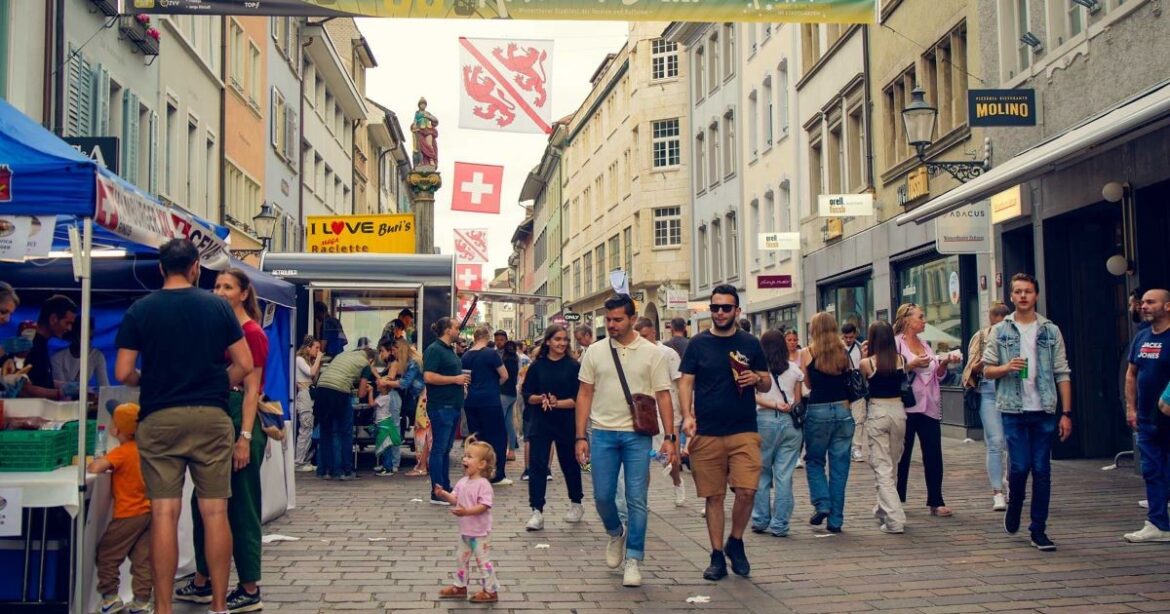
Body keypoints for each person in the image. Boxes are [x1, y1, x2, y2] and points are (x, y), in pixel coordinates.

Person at [114, 238, 253, 614]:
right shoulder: (217, 307)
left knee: (164, 513)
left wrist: (153, 380)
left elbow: (124, 371)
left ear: (161, 269)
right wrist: (212, 383)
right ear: (195, 268)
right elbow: (244, 363)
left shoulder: (140, 310)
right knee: (215, 512)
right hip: (210, 416)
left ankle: (162, 608)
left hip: (160, 417)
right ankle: (220, 606)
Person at [179, 268, 270, 612]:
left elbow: (251, 391)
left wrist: (244, 436)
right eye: (216, 285)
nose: (219, 291)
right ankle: (203, 580)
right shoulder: (218, 330)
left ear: (244, 293)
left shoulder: (252, 333)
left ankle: (249, 586)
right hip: (213, 416)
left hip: (238, 419)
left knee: (241, 506)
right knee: (203, 503)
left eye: (227, 287)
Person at [576, 294, 676, 588]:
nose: (611, 325)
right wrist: (580, 435)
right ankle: (615, 533)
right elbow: (584, 394)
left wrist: (670, 437)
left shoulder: (652, 352)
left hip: (637, 435)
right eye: (608, 320)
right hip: (603, 432)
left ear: (632, 319)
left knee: (637, 499)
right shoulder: (594, 351)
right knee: (603, 496)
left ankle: (634, 558)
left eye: (617, 319)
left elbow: (663, 395)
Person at [678, 287, 769, 582]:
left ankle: (736, 541)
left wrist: (757, 378)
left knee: (747, 491)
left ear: (737, 312)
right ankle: (717, 555)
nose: (719, 313)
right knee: (714, 496)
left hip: (744, 429)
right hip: (708, 432)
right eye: (715, 308)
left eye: (725, 308)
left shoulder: (750, 343)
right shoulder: (697, 344)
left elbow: (766, 382)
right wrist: (688, 416)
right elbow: (686, 382)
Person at [983, 273, 1072, 551]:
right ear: (1011, 296)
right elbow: (986, 369)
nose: (1023, 296)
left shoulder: (1050, 330)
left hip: (1044, 409)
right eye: (1018, 292)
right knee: (1020, 467)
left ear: (1036, 295)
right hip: (1013, 409)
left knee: (1042, 470)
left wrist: (1066, 412)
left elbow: (1062, 372)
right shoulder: (1001, 331)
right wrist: (1006, 368)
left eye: (1028, 291)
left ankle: (1038, 529)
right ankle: (1014, 505)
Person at [894, 303, 961, 518]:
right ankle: (895, 498)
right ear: (907, 320)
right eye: (920, 317)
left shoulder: (925, 344)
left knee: (933, 453)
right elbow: (889, 372)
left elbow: (936, 376)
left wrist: (944, 364)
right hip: (906, 405)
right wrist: (912, 364)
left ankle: (936, 500)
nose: (924, 321)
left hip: (929, 405)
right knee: (901, 454)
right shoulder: (896, 344)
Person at [88, 403, 153, 614]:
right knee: (143, 560)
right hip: (148, 512)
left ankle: (110, 598)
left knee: (107, 555)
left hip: (127, 514)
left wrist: (94, 463)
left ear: (117, 430)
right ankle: (141, 602)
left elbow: (96, 467)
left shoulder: (122, 452)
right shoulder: (146, 449)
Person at [522, 325, 584, 531]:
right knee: (537, 465)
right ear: (547, 341)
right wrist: (540, 398)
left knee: (569, 464)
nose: (562, 343)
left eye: (565, 339)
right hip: (540, 421)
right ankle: (536, 510)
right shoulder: (537, 367)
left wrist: (558, 403)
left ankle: (576, 502)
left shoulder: (573, 366)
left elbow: (578, 399)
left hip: (566, 421)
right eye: (557, 339)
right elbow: (527, 395)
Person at [798, 312, 855, 534]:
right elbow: (850, 379)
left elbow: (809, 385)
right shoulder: (843, 351)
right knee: (840, 468)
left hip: (818, 410)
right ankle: (836, 520)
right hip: (843, 409)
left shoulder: (807, 352)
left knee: (814, 461)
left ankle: (822, 503)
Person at [1123, 289, 1170, 543]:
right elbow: (1131, 374)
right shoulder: (1141, 338)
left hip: (1168, 415)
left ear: (1168, 306)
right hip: (1147, 419)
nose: (1145, 306)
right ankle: (1157, 523)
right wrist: (1131, 408)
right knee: (1151, 470)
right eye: (1143, 302)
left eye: (1151, 302)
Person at [751, 329, 804, 538]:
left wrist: (772, 403)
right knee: (784, 475)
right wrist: (785, 405)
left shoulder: (758, 372)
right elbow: (798, 402)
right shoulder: (794, 369)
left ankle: (760, 519)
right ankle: (780, 524)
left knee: (762, 472)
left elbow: (754, 397)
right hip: (790, 423)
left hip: (764, 420)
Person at [433, 437, 500, 604]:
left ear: (482, 464)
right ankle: (460, 586)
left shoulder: (483, 485)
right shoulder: (463, 482)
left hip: (479, 533)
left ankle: (490, 590)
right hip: (465, 532)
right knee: (460, 559)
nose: (464, 459)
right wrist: (443, 494)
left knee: (483, 561)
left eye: (469, 457)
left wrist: (466, 512)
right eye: (465, 456)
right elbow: (455, 499)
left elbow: (484, 506)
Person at [860, 321, 910, 534]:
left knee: (882, 466)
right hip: (898, 411)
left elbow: (862, 387)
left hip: (878, 411)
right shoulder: (901, 360)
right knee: (892, 463)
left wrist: (865, 354)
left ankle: (894, 519)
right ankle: (882, 509)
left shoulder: (867, 363)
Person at [962, 302, 1012, 511]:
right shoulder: (981, 337)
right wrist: (983, 363)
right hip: (988, 391)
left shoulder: (1015, 336)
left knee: (1011, 443)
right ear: (991, 320)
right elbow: (969, 371)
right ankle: (997, 492)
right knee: (995, 441)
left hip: (1011, 390)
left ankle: (1009, 482)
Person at [635, 317, 686, 506]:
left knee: (669, 457)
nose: (642, 340)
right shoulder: (634, 353)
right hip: (643, 414)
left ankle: (677, 481)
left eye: (645, 336)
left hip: (667, 411)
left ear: (654, 333)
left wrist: (686, 411)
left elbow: (680, 383)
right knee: (643, 458)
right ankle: (643, 498)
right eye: (639, 336)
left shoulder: (668, 353)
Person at [424, 317, 472, 504]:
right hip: (441, 406)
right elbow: (428, 376)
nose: (458, 331)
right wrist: (455, 380)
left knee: (445, 450)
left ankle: (444, 486)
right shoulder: (434, 350)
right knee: (439, 449)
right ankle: (437, 490)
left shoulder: (448, 350)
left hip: (452, 405)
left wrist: (461, 383)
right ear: (447, 330)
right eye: (456, 328)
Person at [315, 346, 379, 481]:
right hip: (339, 392)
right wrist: (367, 390)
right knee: (344, 432)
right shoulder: (365, 364)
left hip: (321, 388)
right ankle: (345, 471)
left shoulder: (342, 355)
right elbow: (361, 393)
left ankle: (326, 470)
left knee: (325, 431)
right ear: (371, 359)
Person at [462, 326, 511, 484]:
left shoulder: (466, 355)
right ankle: (497, 474)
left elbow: (465, 379)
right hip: (490, 401)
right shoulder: (491, 354)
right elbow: (504, 375)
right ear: (487, 337)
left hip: (471, 401)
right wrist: (493, 385)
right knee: (497, 437)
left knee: (476, 437)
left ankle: (478, 472)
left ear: (475, 337)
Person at [23, 294, 77, 400]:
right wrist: (59, 393)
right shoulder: (28, 344)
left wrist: (66, 385)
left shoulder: (42, 343)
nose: (70, 328)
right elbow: (24, 388)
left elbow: (40, 380)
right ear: (53, 319)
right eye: (67, 323)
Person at [374, 338, 405, 477]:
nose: (381, 354)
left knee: (392, 429)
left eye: (382, 351)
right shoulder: (392, 364)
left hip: (392, 396)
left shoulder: (394, 364)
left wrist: (376, 375)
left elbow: (390, 380)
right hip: (393, 397)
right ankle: (390, 462)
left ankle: (393, 462)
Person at [51, 320, 109, 393]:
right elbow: (62, 390)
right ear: (72, 336)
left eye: (90, 338)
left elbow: (105, 387)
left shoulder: (97, 356)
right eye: (83, 336)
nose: (87, 341)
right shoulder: (57, 358)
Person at [294, 336, 323, 472]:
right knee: (305, 428)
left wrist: (316, 362)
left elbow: (314, 377)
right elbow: (310, 373)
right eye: (316, 348)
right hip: (304, 394)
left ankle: (304, 459)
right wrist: (318, 359)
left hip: (309, 393)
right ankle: (299, 461)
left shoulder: (307, 361)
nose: (318, 351)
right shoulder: (299, 359)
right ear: (308, 348)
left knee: (309, 427)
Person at [842, 323, 866, 463]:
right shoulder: (838, 347)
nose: (848, 340)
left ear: (855, 334)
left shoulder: (860, 347)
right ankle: (845, 447)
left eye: (850, 337)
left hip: (857, 386)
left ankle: (856, 447)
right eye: (846, 337)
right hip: (843, 387)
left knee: (859, 418)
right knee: (845, 419)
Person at [500, 340, 520, 462]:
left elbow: (502, 376)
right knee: (509, 424)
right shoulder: (516, 359)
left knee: (500, 424)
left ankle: (501, 451)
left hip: (503, 393)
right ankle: (511, 451)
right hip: (512, 393)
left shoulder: (505, 360)